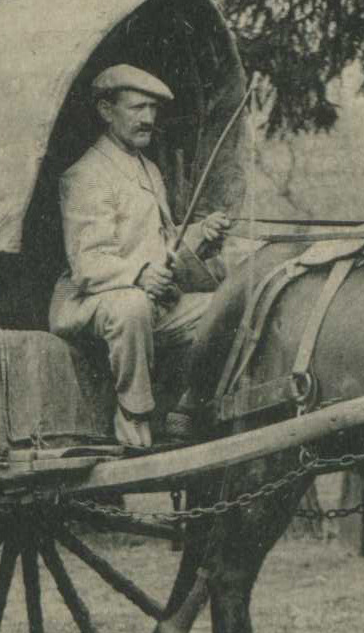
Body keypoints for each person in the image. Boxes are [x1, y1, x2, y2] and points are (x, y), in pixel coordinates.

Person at [49, 64, 232, 448]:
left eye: (152, 109)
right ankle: (133, 414)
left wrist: (200, 234)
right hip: (92, 301)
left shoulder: (147, 168)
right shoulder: (86, 175)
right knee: (132, 307)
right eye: (137, 108)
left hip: (152, 301)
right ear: (106, 110)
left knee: (225, 308)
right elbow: (87, 264)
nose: (148, 118)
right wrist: (140, 275)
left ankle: (186, 408)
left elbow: (162, 240)